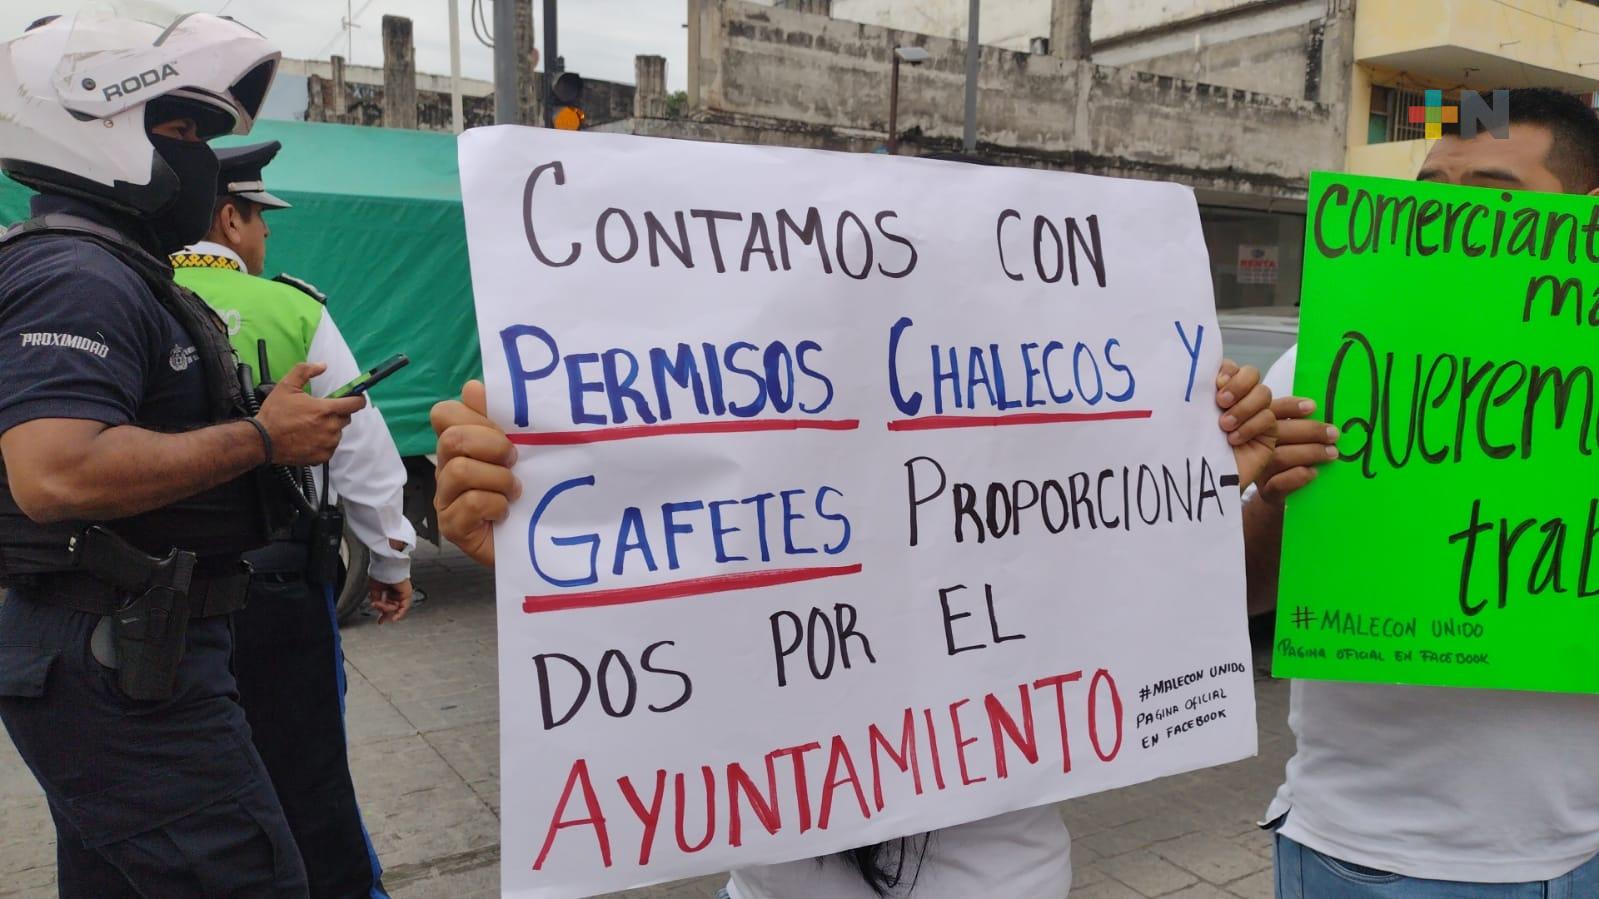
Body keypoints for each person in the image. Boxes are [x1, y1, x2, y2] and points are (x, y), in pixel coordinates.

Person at [430, 359, 1276, 897]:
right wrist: (543, 559)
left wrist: (1199, 495)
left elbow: (1159, 611)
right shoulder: (749, 526)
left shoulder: (1026, 503)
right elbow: (666, 680)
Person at [0, 9, 367, 897]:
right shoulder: (77, 275)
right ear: (93, 123)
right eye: (180, 131)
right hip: (121, 661)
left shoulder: (109, 267)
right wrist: (262, 438)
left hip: (130, 646)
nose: (200, 160)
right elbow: (55, 472)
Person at [1245, 87, 1599, 898]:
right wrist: (1274, 499)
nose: (1447, 218)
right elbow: (1240, 594)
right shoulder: (1326, 363)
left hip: (1582, 846)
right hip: (1368, 856)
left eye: (1491, 196)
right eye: (1431, 190)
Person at [172, 140, 416, 899]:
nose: (267, 232)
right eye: (259, 217)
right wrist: (390, 561)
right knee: (309, 777)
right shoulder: (292, 308)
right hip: (277, 590)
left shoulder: (127, 294)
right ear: (228, 219)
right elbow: (361, 450)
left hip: (152, 601)